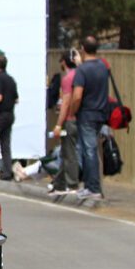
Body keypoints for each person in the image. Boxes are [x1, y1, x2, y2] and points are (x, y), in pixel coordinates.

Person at [71, 36, 110, 197]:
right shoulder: (103, 66)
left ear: (82, 49)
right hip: (101, 112)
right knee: (91, 149)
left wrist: (74, 110)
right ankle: (89, 184)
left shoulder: (82, 70)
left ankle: (93, 187)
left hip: (87, 113)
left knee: (89, 150)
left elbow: (78, 95)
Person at [49, 52, 79, 194]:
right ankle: (59, 183)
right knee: (65, 152)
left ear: (64, 62)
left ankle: (72, 184)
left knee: (69, 153)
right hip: (80, 119)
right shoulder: (80, 75)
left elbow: (66, 102)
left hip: (69, 119)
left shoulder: (68, 78)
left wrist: (59, 124)